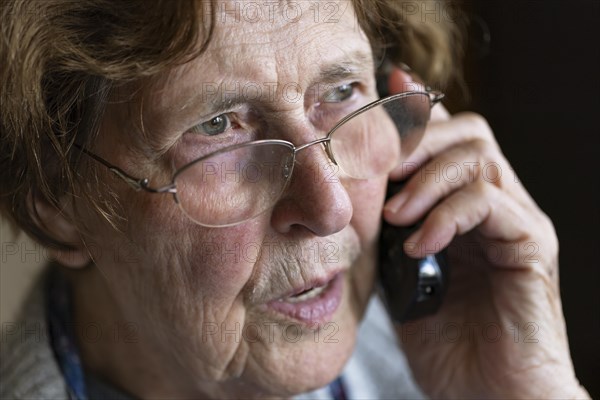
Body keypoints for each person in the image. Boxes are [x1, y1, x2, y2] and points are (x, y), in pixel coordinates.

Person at [0, 0, 590, 398]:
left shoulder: (444, 349)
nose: (329, 205)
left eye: (340, 91)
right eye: (217, 126)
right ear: (56, 199)